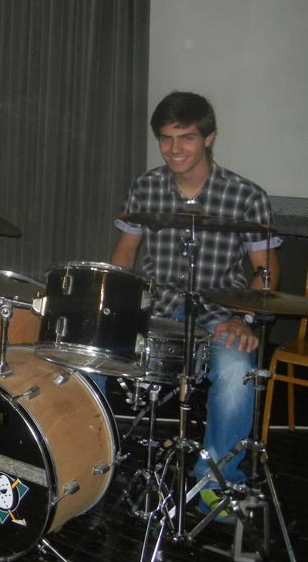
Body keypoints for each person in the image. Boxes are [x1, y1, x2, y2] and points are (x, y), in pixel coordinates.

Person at [111, 91, 281, 517]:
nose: (174, 149)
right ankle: (90, 459)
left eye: (186, 137)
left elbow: (266, 272)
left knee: (237, 369)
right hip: (158, 306)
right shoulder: (145, 187)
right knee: (90, 352)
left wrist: (243, 318)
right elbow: (125, 253)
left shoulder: (246, 196)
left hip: (220, 311)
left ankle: (216, 482)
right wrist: (111, 306)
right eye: (166, 138)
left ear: (209, 138)